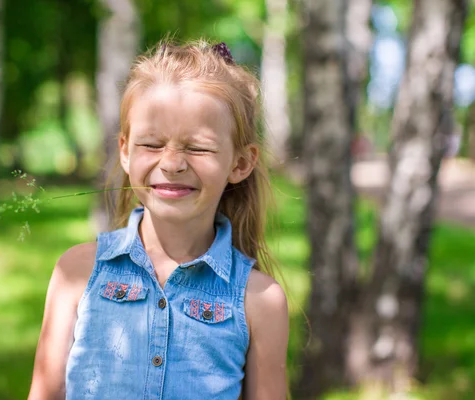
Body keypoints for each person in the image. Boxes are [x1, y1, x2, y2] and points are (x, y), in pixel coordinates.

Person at [28, 40, 289, 400]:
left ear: (240, 163)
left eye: (197, 148)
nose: (171, 163)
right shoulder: (76, 272)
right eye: (151, 144)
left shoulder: (259, 301)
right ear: (125, 151)